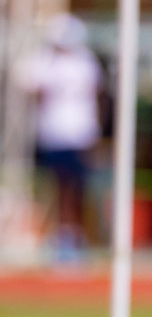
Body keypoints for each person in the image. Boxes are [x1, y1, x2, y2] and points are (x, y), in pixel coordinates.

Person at [20, 13, 103, 260]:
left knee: (78, 190)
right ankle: (60, 237)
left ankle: (74, 238)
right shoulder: (44, 61)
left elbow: (95, 97)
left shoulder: (85, 62)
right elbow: (31, 88)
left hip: (79, 135)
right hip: (53, 134)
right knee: (56, 188)